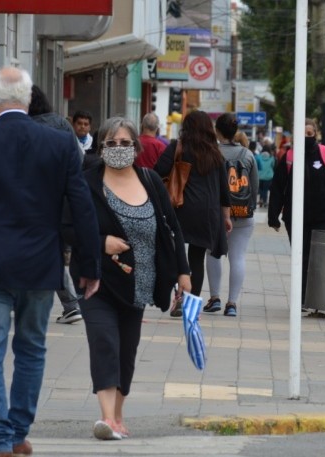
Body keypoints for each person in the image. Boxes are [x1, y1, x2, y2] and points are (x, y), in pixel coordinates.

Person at [0, 66, 102, 457]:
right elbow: (81, 206)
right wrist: (90, 266)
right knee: (32, 348)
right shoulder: (61, 144)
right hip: (41, 262)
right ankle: (18, 435)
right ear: (29, 98)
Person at [67, 116, 191, 440]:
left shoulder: (149, 181)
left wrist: (183, 272)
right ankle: (107, 419)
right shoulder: (86, 182)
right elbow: (65, 226)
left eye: (125, 143)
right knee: (104, 342)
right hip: (96, 280)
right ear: (101, 146)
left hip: (139, 285)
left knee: (127, 352)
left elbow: (171, 229)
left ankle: (118, 415)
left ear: (135, 146)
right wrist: (100, 242)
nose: (118, 149)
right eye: (111, 143)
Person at [154, 110, 232, 316]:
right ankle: (191, 306)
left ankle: (178, 295)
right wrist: (226, 217)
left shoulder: (178, 147)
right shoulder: (216, 154)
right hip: (208, 213)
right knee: (196, 259)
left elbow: (157, 171)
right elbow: (224, 191)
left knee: (175, 254)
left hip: (181, 209)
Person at [268, 118, 325, 309]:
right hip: (296, 219)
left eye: (310, 134)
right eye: (302, 134)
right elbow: (278, 189)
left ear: (316, 135)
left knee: (320, 259)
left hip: (324, 217)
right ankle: (303, 297)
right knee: (301, 258)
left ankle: (319, 298)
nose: (306, 138)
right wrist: (273, 217)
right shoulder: (288, 158)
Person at [28, 85, 85, 325]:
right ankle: (71, 303)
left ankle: (70, 303)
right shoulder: (61, 124)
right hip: (60, 198)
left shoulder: (28, 126)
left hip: (33, 199)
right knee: (52, 250)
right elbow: (78, 159)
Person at [204, 113, 259, 317]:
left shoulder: (211, 153)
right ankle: (232, 303)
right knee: (238, 257)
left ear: (217, 131)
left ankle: (215, 298)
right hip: (243, 213)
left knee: (213, 253)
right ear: (235, 131)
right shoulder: (247, 154)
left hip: (217, 213)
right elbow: (254, 187)